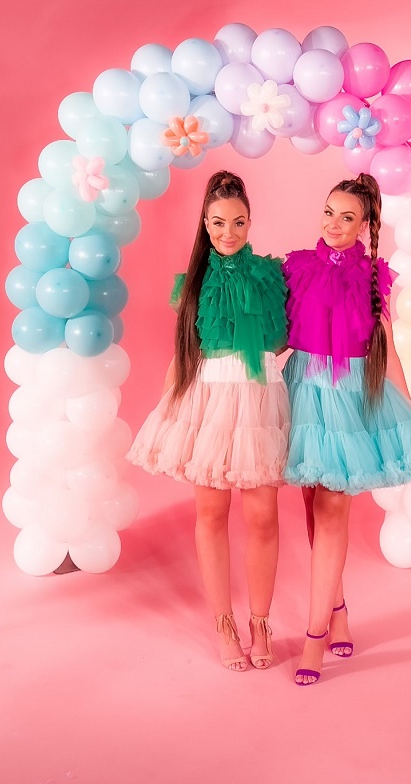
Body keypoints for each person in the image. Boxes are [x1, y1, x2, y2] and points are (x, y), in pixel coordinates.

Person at [281, 173, 411, 685]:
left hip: (349, 400)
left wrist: (410, 415)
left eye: (347, 217)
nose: (333, 224)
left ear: (364, 226)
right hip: (303, 390)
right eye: (328, 212)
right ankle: (337, 610)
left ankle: (314, 636)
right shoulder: (297, 266)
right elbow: (281, 337)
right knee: (312, 506)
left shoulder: (374, 276)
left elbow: (388, 349)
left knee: (333, 509)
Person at [126, 171, 289, 672]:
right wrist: (168, 412)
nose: (228, 232)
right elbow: (183, 355)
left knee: (262, 517)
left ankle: (260, 621)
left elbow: (285, 338)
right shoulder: (193, 285)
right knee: (212, 513)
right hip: (210, 402)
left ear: (250, 222)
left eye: (237, 222)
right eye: (218, 223)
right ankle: (223, 622)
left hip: (259, 401)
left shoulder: (272, 276)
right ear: (204, 223)